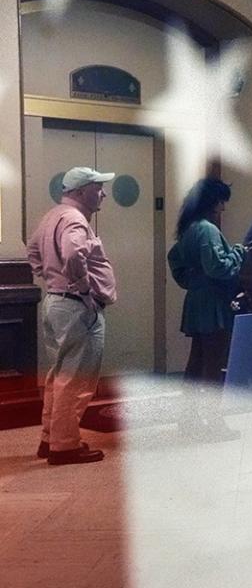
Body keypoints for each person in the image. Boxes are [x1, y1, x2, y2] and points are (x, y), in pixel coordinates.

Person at [27, 166, 117, 465]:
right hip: (77, 306)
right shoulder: (75, 220)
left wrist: (50, 279)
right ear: (80, 192)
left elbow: (32, 251)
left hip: (56, 302)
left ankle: (50, 437)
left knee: (59, 375)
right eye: (97, 187)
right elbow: (73, 253)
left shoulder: (51, 216)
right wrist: (82, 288)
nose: (103, 192)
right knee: (76, 379)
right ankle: (65, 445)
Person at [167, 178, 248, 442]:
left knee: (196, 363)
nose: (223, 208)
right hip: (214, 303)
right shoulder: (208, 230)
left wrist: (193, 282)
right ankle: (213, 423)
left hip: (196, 301)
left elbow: (175, 260)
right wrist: (238, 253)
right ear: (213, 201)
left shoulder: (188, 229)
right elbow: (219, 267)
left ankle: (187, 419)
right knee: (214, 364)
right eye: (222, 202)